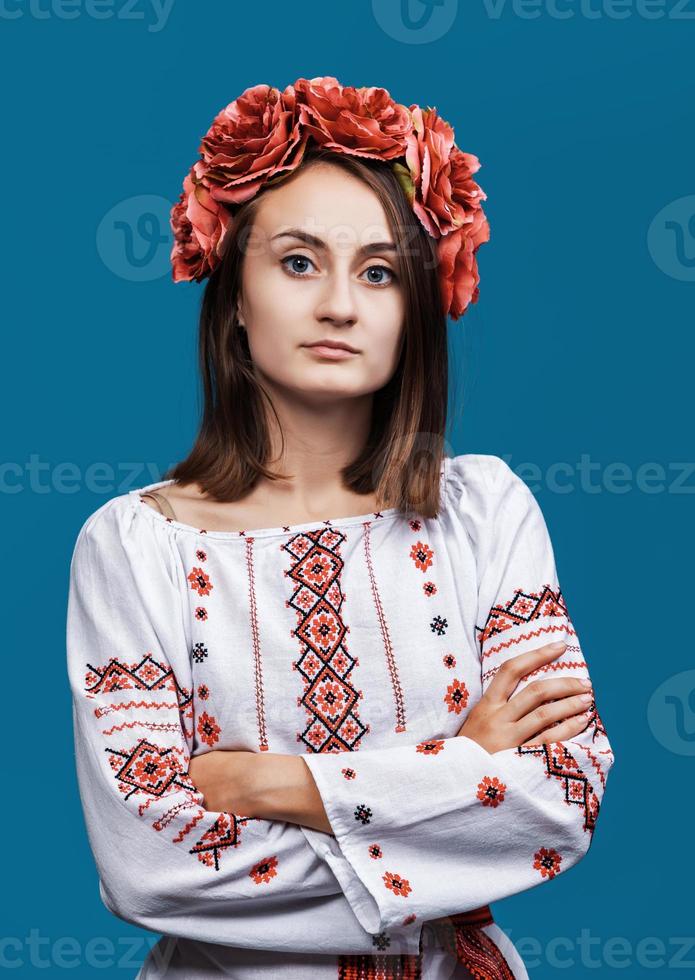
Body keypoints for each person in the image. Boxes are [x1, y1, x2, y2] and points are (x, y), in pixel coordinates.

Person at [66, 76, 615, 979]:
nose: (339, 305)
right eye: (296, 262)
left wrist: (265, 784)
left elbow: (558, 800)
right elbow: (152, 865)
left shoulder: (481, 511)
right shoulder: (137, 545)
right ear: (233, 295)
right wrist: (460, 769)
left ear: (414, 305)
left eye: (377, 271)